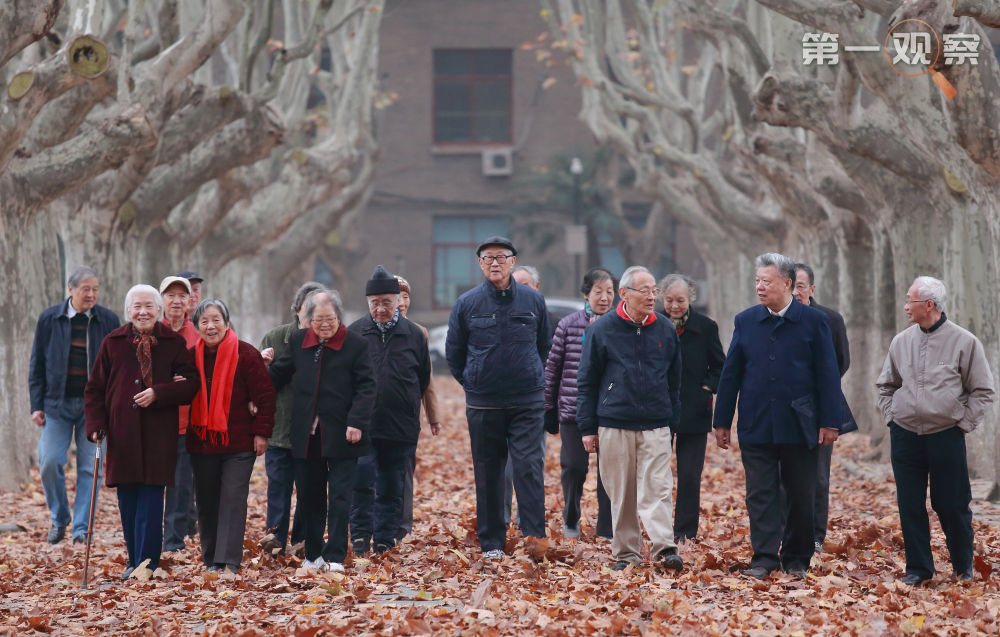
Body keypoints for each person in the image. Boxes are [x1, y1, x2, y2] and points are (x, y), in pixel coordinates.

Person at [713, 253, 842, 580]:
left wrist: (830, 421)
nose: (759, 286)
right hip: (756, 422)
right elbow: (731, 373)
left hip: (800, 424)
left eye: (766, 281)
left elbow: (828, 374)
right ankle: (764, 558)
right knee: (760, 494)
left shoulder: (814, 322)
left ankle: (797, 558)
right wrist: (722, 420)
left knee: (801, 493)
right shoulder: (746, 321)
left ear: (786, 283)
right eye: (757, 281)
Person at [876, 276, 995, 585]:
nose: (906, 306)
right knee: (910, 505)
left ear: (929, 305)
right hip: (905, 435)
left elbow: (983, 391)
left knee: (951, 505)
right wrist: (892, 418)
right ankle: (918, 570)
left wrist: (963, 425)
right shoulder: (901, 341)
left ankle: (962, 568)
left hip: (946, 435)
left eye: (910, 300)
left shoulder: (965, 341)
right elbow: (886, 386)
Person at [445, 236, 551, 559]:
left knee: (529, 468)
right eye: (488, 258)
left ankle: (534, 538)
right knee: (488, 471)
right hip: (484, 402)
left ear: (512, 261)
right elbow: (454, 354)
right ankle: (492, 543)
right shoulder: (467, 303)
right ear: (480, 264)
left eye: (501, 257)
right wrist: (474, 380)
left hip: (526, 401)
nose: (495, 263)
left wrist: (529, 375)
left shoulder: (533, 301)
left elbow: (543, 346)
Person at [84, 285, 199, 580]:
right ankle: (134, 560)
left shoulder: (173, 343)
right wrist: (96, 425)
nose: (143, 312)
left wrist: (159, 393)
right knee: (128, 500)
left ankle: (146, 565)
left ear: (158, 310)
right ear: (128, 310)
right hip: (122, 433)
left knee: (151, 499)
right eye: (137, 306)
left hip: (158, 435)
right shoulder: (113, 342)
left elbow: (191, 385)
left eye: (149, 306)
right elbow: (95, 389)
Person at [577, 266, 684, 572]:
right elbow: (586, 381)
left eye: (654, 290)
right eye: (644, 290)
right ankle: (626, 554)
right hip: (614, 423)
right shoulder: (601, 330)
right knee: (621, 493)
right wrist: (587, 427)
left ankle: (665, 548)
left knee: (658, 487)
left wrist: (672, 422)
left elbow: (674, 381)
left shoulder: (665, 329)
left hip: (656, 422)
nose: (652, 296)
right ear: (624, 293)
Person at [269, 290, 376, 573]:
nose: (324, 325)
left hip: (344, 433)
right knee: (309, 496)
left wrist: (357, 421)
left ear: (339, 317)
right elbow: (278, 375)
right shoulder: (298, 341)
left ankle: (336, 556)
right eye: (318, 320)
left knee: (340, 496)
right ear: (308, 319)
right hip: (307, 434)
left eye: (330, 319)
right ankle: (313, 554)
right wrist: (255, 375)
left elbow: (367, 387)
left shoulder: (355, 344)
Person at [29, 266, 121, 545]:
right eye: (85, 289)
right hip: (56, 404)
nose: (91, 294)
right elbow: (37, 364)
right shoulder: (49, 319)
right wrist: (36, 405)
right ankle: (60, 518)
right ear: (70, 289)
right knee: (49, 461)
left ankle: (81, 529)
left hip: (94, 407)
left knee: (90, 469)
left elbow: (118, 366)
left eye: (95, 289)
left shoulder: (108, 320)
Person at [187, 299, 276, 573]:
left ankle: (229, 561)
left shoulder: (246, 354)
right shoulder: (190, 357)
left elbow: (265, 396)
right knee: (207, 500)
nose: (211, 326)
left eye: (216, 320)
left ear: (226, 323)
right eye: (204, 321)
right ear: (197, 326)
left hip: (239, 443)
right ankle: (212, 559)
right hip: (202, 443)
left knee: (233, 498)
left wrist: (262, 433)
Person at [349, 266, 432, 554]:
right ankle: (360, 536)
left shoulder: (414, 334)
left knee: (392, 485)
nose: (381, 309)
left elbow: (423, 378)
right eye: (375, 303)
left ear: (398, 301)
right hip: (363, 424)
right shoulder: (355, 333)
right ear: (368, 303)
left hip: (400, 425)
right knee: (362, 480)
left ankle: (385, 539)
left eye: (387, 302)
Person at [544, 267, 615, 540]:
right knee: (574, 467)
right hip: (572, 409)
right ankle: (571, 516)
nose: (604, 297)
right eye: (598, 291)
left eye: (609, 292)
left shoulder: (619, 325)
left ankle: (607, 527)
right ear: (586, 294)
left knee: (609, 472)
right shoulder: (568, 324)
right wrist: (548, 408)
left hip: (610, 411)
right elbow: (553, 368)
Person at [258, 282, 324, 555]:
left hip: (313, 433)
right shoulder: (276, 338)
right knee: (278, 489)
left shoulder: (330, 340)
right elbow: (258, 385)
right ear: (296, 310)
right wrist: (263, 365)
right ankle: (274, 538)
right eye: (307, 308)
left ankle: (302, 541)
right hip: (279, 430)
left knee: (309, 490)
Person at [658, 274, 725, 544]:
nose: (675, 306)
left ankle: (685, 533)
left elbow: (720, 366)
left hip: (694, 411)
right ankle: (659, 529)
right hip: (658, 410)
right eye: (669, 300)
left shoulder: (706, 327)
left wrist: (707, 388)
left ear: (691, 299)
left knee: (689, 476)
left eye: (680, 300)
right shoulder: (654, 324)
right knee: (657, 476)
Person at [791, 263, 852, 550]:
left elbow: (841, 362)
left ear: (812, 289)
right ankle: (788, 531)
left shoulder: (830, 319)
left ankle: (816, 535)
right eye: (791, 285)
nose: (795, 292)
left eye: (800, 286)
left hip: (819, 407)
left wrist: (818, 390)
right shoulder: (776, 317)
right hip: (783, 407)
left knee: (818, 475)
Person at [505, 264, 557, 528]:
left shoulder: (549, 320)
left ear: (536, 288)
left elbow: (551, 359)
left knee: (531, 465)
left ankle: (527, 520)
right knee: (503, 467)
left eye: (524, 284)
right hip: (500, 401)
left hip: (535, 403)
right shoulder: (501, 316)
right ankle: (502, 518)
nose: (518, 289)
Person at [394, 275, 441, 540]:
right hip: (373, 416)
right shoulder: (365, 331)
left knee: (405, 471)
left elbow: (426, 379)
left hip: (407, 416)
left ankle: (403, 527)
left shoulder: (419, 332)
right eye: (396, 297)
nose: (401, 302)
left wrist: (433, 416)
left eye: (406, 297)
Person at [159, 276, 202, 553]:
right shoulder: (150, 331)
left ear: (190, 301)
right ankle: (151, 537)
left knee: (181, 485)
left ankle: (173, 543)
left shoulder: (198, 333)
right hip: (155, 422)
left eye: (182, 296)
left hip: (188, 422)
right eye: (170, 295)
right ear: (161, 300)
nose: (176, 301)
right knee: (154, 485)